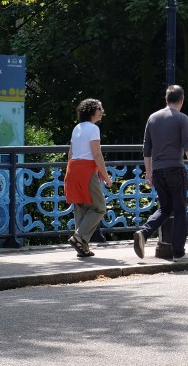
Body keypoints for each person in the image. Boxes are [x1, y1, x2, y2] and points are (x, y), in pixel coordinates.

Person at [133, 85, 188, 263]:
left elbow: (146, 148)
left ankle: (144, 232)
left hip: (158, 171)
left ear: (166, 99)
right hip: (175, 170)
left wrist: (149, 173)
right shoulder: (182, 118)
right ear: (182, 100)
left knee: (165, 207)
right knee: (180, 211)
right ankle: (178, 253)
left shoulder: (153, 118)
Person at [64, 98, 112, 258]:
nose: (102, 111)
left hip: (73, 168)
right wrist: (105, 177)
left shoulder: (77, 128)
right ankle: (79, 237)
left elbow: (70, 153)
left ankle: (82, 248)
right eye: (100, 108)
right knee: (99, 207)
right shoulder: (93, 129)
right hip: (86, 170)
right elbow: (97, 154)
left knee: (82, 208)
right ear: (92, 111)